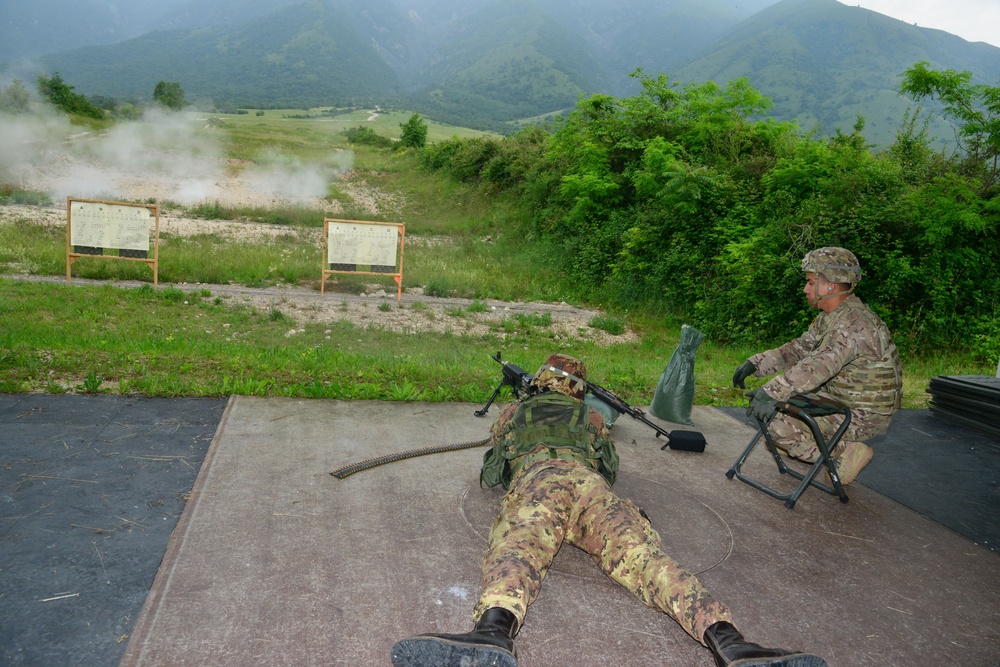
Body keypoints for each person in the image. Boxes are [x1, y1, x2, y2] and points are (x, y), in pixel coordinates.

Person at [392, 353, 827, 667]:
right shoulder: (593, 421)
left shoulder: (512, 412)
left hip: (541, 477)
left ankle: (492, 631)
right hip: (590, 487)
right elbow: (609, 467)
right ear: (578, 391)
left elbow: (493, 472)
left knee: (520, 546)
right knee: (643, 557)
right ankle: (729, 641)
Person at [733, 247, 902, 485]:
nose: (805, 289)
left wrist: (770, 392)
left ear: (829, 285)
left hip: (863, 415)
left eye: (810, 282)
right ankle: (806, 440)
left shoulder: (852, 324)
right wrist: (756, 363)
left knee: (776, 426)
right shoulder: (833, 316)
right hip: (842, 397)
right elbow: (800, 348)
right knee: (781, 414)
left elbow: (817, 366)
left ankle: (843, 452)